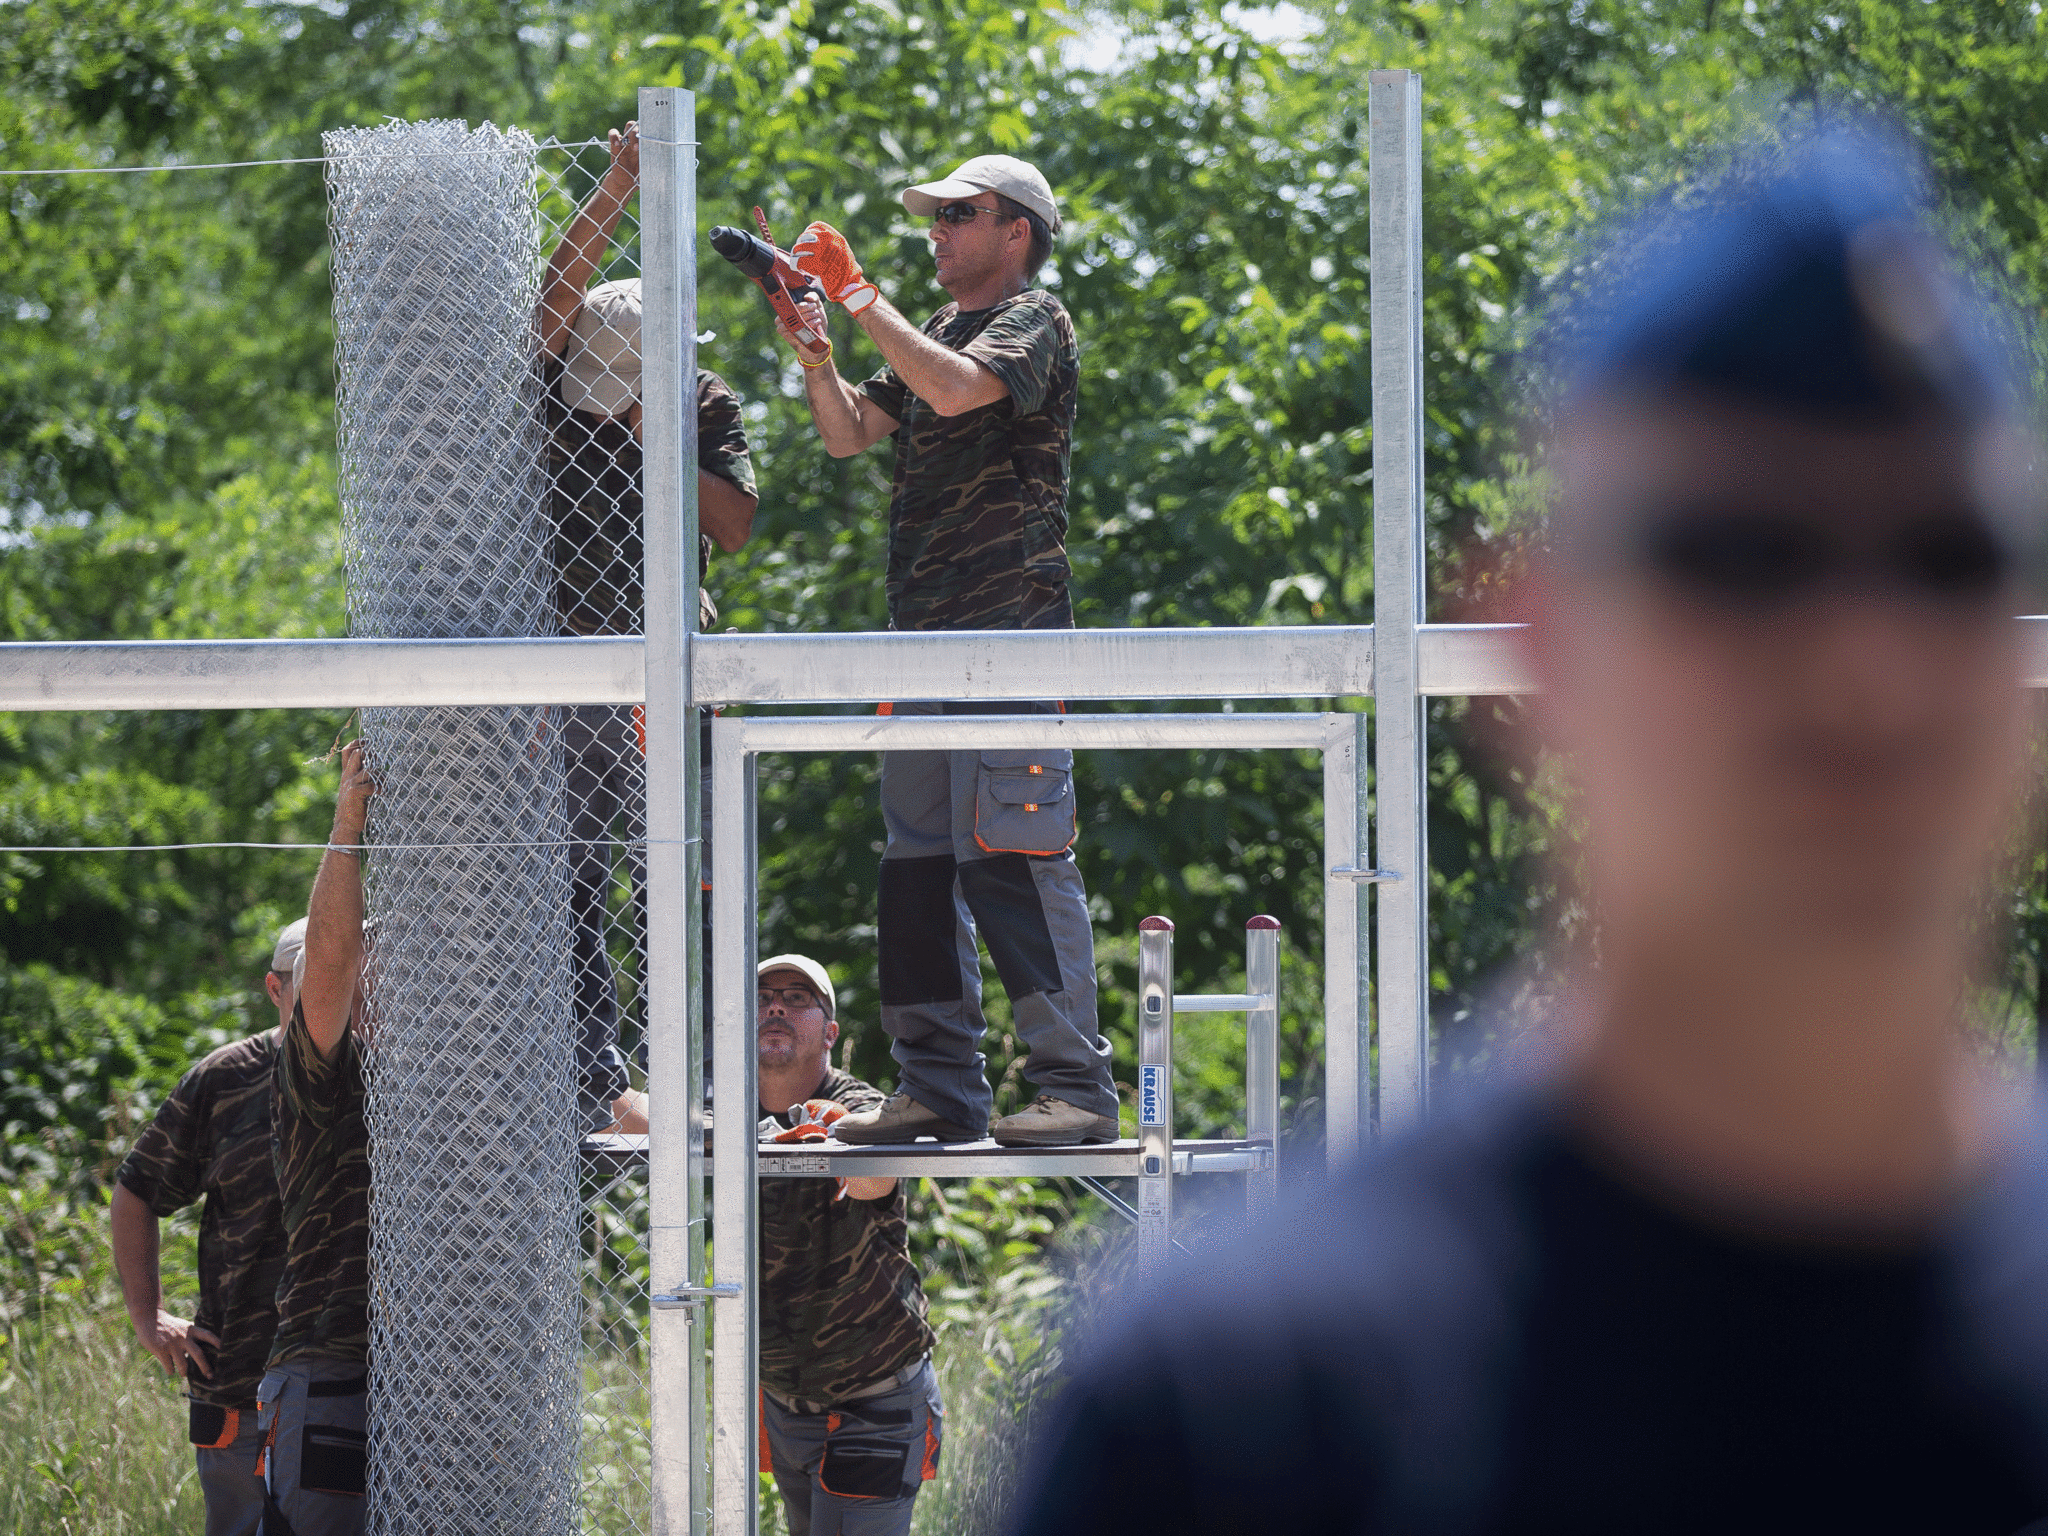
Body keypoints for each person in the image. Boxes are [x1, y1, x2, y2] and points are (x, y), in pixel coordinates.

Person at [1012, 133, 2048, 1533]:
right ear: (1543, 649)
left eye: (1950, 560)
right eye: (1741, 558)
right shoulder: (1243, 1407)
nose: (1862, 663)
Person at [775, 154, 1119, 1149]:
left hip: (1009, 636)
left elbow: (962, 393)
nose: (935, 231)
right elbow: (847, 434)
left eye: (955, 215)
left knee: (1011, 855)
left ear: (1015, 230)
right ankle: (937, 1086)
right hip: (918, 644)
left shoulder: (1033, 320)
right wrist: (814, 353)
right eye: (931, 216)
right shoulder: (933, 333)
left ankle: (1074, 1090)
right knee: (915, 869)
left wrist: (855, 296)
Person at [536, 120, 760, 1131]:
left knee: (698, 866)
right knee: (580, 870)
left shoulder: (702, 400)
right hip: (575, 652)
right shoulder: (553, 386)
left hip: (671, 659)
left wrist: (658, 431)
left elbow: (738, 528)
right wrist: (618, 186)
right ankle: (602, 1078)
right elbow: (553, 299)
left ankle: (720, 1079)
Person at [611, 953, 943, 1533]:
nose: (776, 1007)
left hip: (873, 1400)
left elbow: (874, 1177)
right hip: (785, 1403)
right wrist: (596, 1074)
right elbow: (636, 1115)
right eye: (764, 998)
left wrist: (828, 1135)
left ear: (830, 1033)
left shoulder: (863, 1109)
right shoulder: (731, 1114)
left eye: (797, 999)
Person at [113, 918, 302, 1536]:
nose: (343, 991)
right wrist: (149, 1316)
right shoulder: (226, 1080)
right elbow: (136, 1189)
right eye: (321, 978)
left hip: (359, 1383)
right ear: (276, 990)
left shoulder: (391, 1079)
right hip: (238, 1377)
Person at [256, 741, 374, 1536]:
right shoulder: (317, 1069)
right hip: (335, 1371)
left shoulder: (433, 1075)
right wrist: (350, 819)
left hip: (430, 1378)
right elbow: (328, 967)